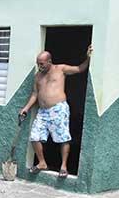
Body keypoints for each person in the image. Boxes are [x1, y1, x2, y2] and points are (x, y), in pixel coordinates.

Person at [20, 45, 92, 179]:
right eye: (38, 64)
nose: (39, 66)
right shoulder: (37, 76)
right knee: (35, 136)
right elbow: (35, 94)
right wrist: (26, 108)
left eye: (41, 64)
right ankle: (42, 163)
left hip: (59, 108)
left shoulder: (60, 69)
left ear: (49, 61)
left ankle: (64, 166)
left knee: (63, 137)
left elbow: (80, 69)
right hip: (43, 111)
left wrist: (87, 57)